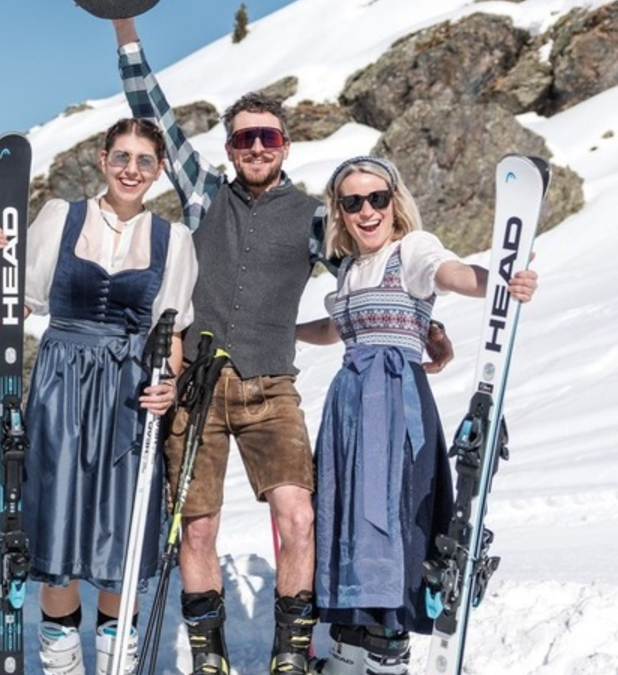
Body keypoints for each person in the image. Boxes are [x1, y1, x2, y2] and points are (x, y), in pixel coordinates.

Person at [109, 17, 452, 675]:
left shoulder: (315, 219)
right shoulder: (205, 193)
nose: (256, 147)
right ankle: (207, 654)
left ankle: (291, 654)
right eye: (245, 138)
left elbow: (369, 265)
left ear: (285, 145)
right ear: (231, 147)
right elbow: (150, 109)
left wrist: (421, 326)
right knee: (199, 526)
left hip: (273, 388)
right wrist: (127, 32)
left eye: (267, 137)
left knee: (300, 517)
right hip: (198, 388)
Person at [295, 157, 537, 674]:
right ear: (339, 211)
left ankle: (386, 647)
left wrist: (499, 281)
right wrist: (285, 333)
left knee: (390, 519)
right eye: (353, 202)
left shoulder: (413, 249)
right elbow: (335, 329)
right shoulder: (349, 268)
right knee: (347, 521)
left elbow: (450, 274)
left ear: (394, 200)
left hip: (393, 404)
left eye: (377, 198)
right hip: (348, 410)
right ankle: (349, 644)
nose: (367, 211)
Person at [22, 117, 197, 675]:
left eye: (144, 161)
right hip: (61, 385)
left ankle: (115, 663)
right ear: (102, 160)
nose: (131, 170)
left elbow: (166, 332)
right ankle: (62, 665)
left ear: (160, 171)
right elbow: (22, 299)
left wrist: (167, 385)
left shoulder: (174, 240)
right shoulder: (61, 218)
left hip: (128, 394)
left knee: (120, 538)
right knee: (59, 533)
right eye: (121, 157)